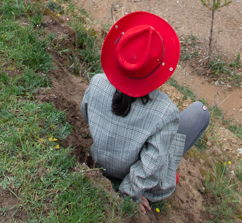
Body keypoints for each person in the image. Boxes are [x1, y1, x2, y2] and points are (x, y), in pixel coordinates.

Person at [81, 11, 209, 212]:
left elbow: (86, 113)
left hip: (102, 162)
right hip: (134, 178)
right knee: (200, 112)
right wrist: (129, 194)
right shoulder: (165, 111)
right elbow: (151, 164)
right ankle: (166, 179)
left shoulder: (96, 83)